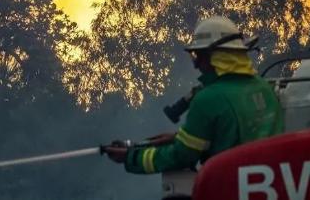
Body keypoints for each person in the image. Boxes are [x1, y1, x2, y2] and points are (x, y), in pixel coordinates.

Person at [104, 16, 283, 174]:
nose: (196, 65)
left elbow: (181, 157)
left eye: (198, 55)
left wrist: (131, 157)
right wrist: (178, 138)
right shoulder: (263, 87)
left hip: (228, 187)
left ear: (214, 56)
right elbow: (236, 136)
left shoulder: (209, 99)